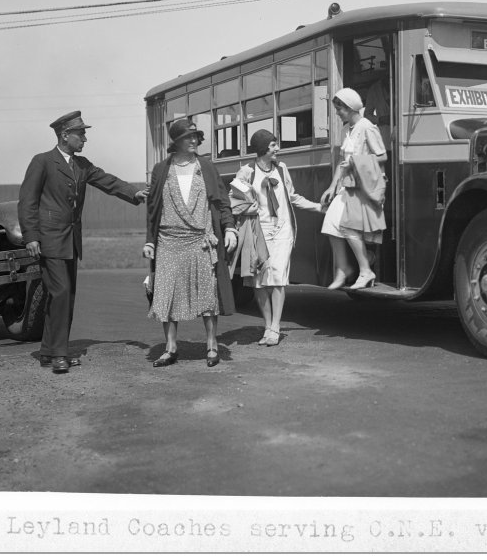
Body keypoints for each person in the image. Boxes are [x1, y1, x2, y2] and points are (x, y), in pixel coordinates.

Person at [18, 111, 148, 374]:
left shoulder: (82, 164)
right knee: (60, 293)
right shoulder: (42, 162)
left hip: (70, 241)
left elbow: (107, 181)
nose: (85, 139)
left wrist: (134, 192)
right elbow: (27, 202)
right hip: (49, 239)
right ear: (65, 135)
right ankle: (59, 355)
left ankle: (49, 351)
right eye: (81, 133)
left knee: (66, 296)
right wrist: (30, 236)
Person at [143, 119, 238, 368]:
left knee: (207, 295)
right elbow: (153, 208)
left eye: (196, 136)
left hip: (200, 240)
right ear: (176, 142)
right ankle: (171, 347)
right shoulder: (161, 169)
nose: (194, 140)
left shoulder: (206, 166)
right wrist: (149, 242)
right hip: (168, 241)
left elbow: (221, 202)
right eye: (189, 137)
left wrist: (229, 228)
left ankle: (212, 345)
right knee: (167, 294)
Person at [229, 129, 321, 346]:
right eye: (272, 145)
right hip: (257, 232)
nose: (277, 149)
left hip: (282, 231)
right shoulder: (247, 171)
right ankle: (267, 324)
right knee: (259, 283)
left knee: (278, 278)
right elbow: (232, 201)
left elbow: (292, 196)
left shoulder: (281, 168)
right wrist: (247, 207)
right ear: (262, 149)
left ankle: (275, 327)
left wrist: (317, 206)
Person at [320, 87, 387, 290]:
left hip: (362, 186)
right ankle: (345, 269)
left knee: (347, 227)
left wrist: (354, 162)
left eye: (340, 108)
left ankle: (365, 269)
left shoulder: (367, 127)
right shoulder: (346, 129)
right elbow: (342, 161)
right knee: (330, 224)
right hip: (348, 185)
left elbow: (382, 155)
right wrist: (332, 186)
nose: (338, 112)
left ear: (350, 107)